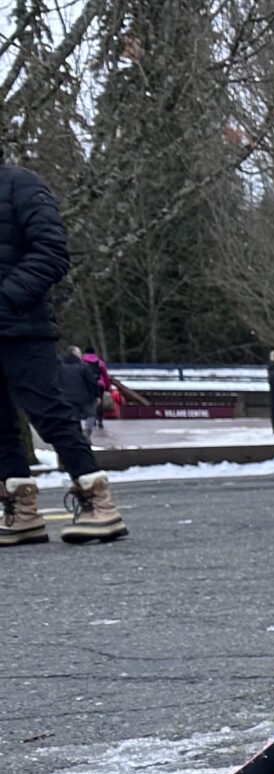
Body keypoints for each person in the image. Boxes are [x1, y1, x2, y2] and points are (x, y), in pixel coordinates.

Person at [0, 156, 124, 546]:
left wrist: (5, 299)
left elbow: (52, 251)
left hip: (21, 326)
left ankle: (97, 501)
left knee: (50, 413)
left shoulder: (21, 184)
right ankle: (21, 511)